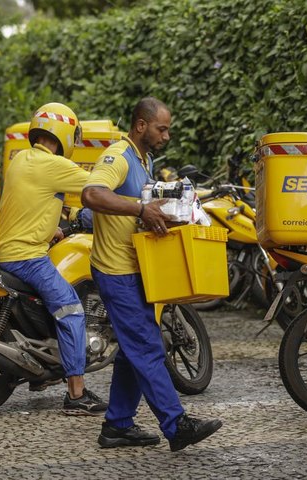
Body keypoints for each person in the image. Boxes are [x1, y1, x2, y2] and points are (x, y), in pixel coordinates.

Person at [81, 97, 222, 451]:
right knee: (146, 345)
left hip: (135, 268)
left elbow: (140, 209)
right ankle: (176, 426)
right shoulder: (118, 157)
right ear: (141, 125)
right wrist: (141, 209)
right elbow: (92, 194)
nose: (168, 135)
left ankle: (117, 425)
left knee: (133, 350)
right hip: (115, 271)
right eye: (162, 128)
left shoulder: (145, 160)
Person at [0, 102, 108, 416]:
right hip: (27, 257)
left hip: (7, 251)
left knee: (51, 305)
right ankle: (76, 394)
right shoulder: (53, 165)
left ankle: (40, 374)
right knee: (71, 311)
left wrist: (53, 229)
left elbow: (32, 202)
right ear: (65, 133)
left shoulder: (21, 160)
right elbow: (98, 188)